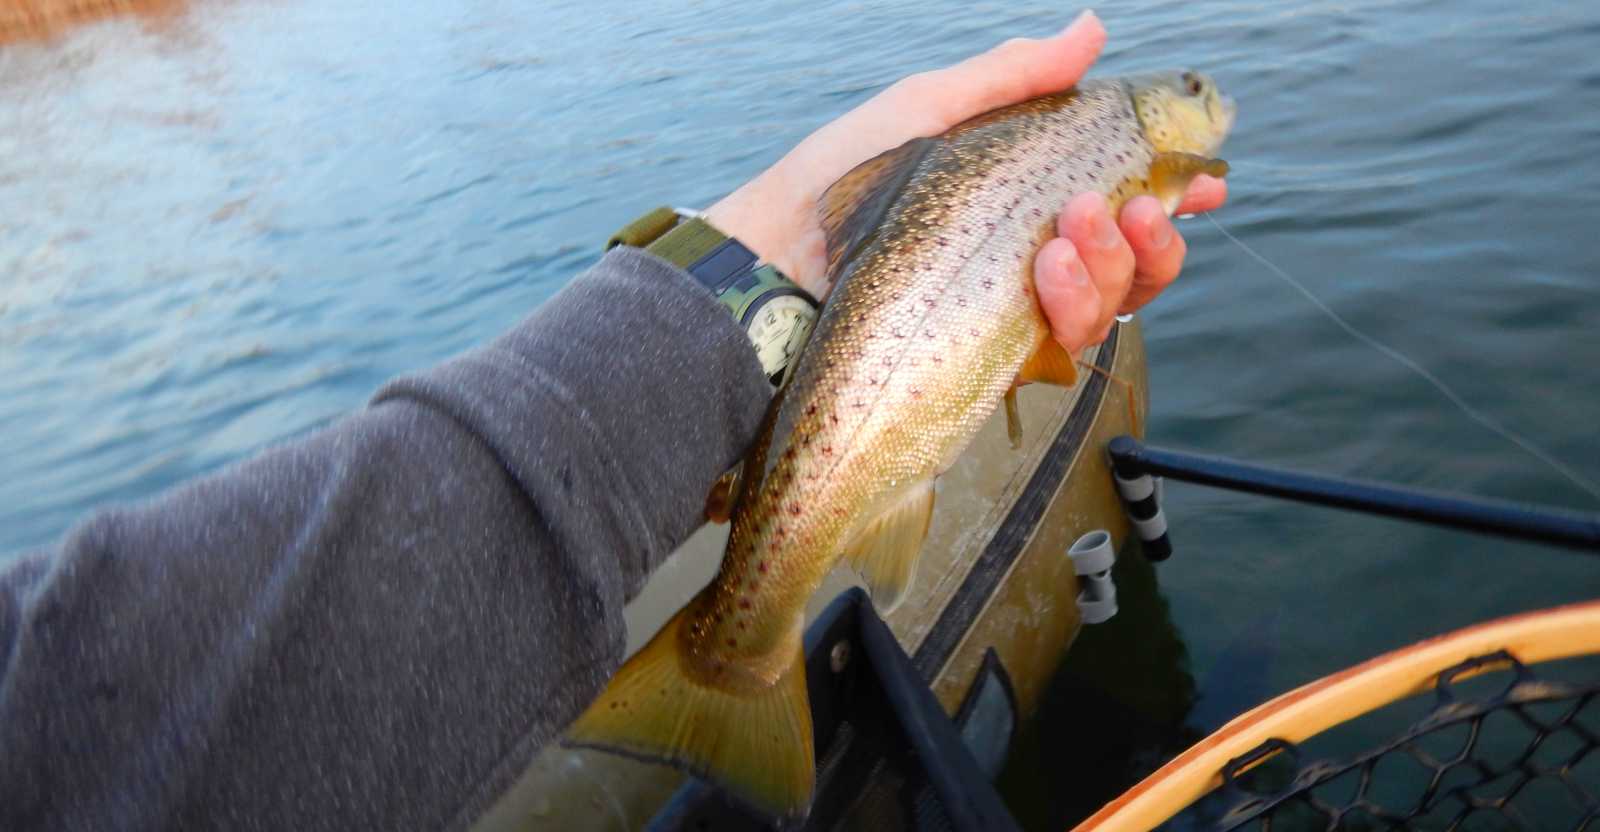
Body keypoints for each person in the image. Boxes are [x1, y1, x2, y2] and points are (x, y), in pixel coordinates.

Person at [0, 11, 1225, 831]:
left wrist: (758, 263)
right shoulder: (1113, 128)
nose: (1204, 100)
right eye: (1193, 91)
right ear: (1152, 116)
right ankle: (725, 667)